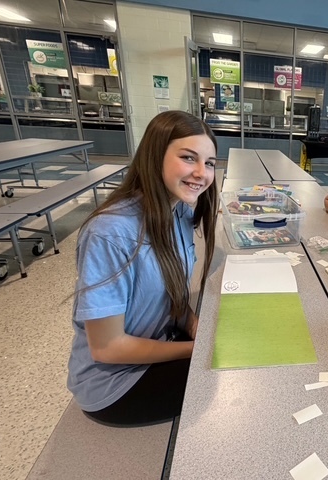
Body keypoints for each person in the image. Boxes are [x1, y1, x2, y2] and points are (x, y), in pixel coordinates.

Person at [67, 110, 219, 426]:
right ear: (155, 155)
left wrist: (194, 326)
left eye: (210, 163)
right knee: (232, 380)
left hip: (160, 342)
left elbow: (173, 294)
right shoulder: (111, 232)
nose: (201, 173)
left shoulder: (178, 214)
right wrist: (195, 348)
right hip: (116, 384)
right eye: (189, 158)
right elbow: (108, 348)